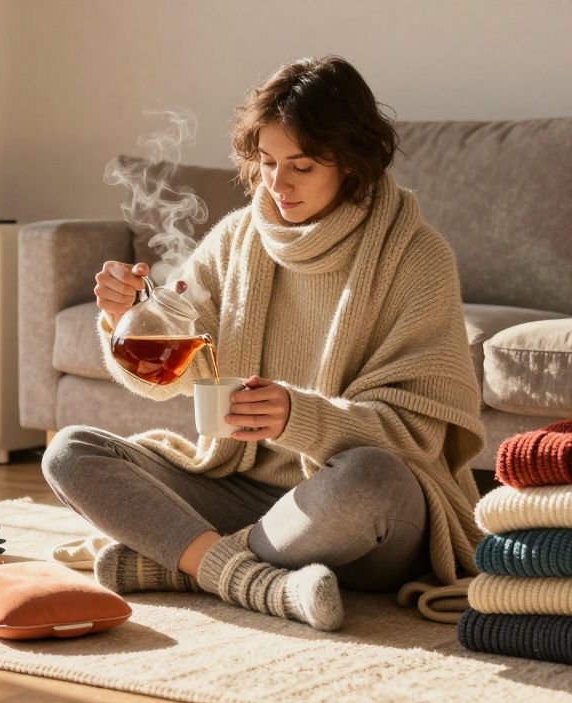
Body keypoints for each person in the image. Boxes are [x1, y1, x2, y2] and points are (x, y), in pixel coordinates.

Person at [42, 56, 485, 631]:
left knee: (368, 479)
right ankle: (245, 572)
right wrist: (128, 319)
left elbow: (419, 436)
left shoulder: (417, 258)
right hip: (245, 493)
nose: (278, 184)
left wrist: (298, 417)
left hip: (356, 513)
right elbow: (172, 375)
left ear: (352, 162)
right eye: (268, 162)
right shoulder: (237, 239)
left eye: (300, 165)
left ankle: (184, 562)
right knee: (71, 452)